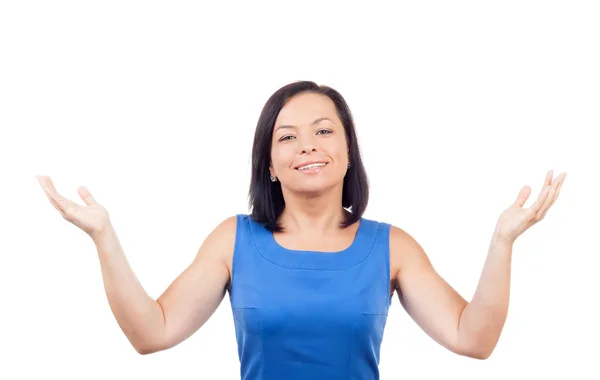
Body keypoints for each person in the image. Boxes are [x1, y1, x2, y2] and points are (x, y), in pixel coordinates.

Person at [37, 80, 567, 379]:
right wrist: (104, 236)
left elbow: (473, 340)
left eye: (323, 130)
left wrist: (502, 242)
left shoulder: (392, 247)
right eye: (287, 137)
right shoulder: (233, 240)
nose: (307, 145)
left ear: (346, 151)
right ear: (270, 163)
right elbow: (150, 334)